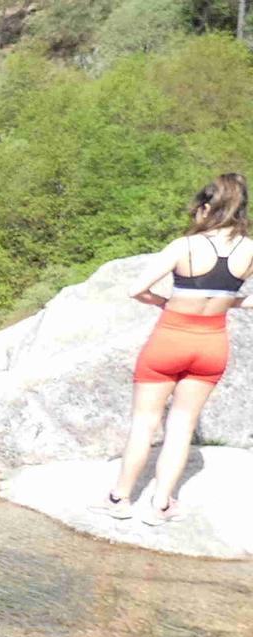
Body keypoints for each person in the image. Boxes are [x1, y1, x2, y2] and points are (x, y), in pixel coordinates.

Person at [106, 173, 251, 525]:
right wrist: (227, 302)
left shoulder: (183, 246)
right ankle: (160, 505)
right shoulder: (249, 248)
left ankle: (120, 500)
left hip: (170, 338)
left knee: (144, 423)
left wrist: (163, 302)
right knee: (182, 426)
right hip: (211, 345)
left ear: (205, 207)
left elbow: (136, 290)